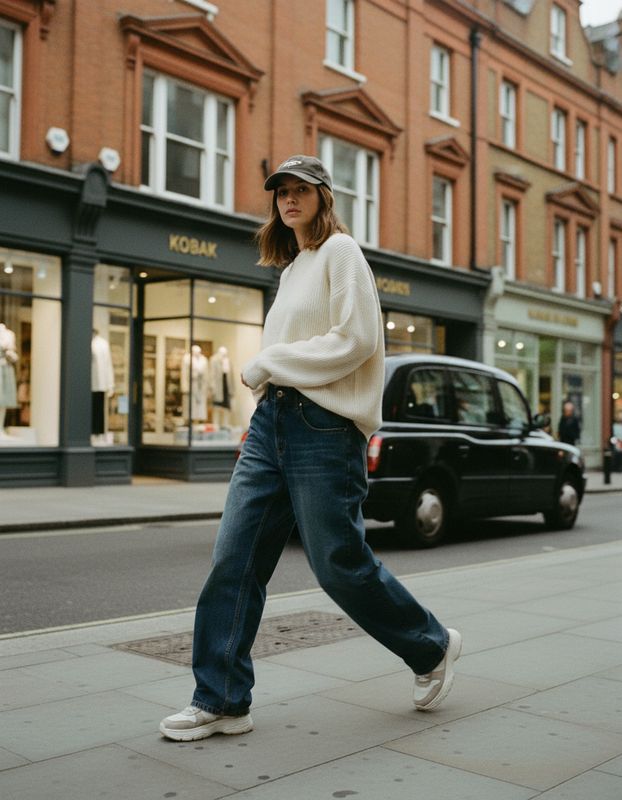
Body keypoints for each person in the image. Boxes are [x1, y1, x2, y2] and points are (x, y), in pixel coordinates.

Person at [159, 155, 462, 742]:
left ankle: (431, 645)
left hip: (323, 427)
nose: (290, 200)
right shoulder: (293, 266)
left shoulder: (341, 253)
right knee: (234, 558)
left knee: (337, 563)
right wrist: (270, 384)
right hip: (272, 422)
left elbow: (356, 339)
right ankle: (221, 699)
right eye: (282, 192)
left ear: (324, 196)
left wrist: (269, 361)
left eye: (302, 190)